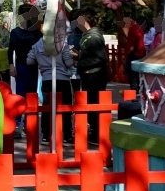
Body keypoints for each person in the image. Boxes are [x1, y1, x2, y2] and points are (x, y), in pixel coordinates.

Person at [27, 33, 75, 146]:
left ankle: (46, 135)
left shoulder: (37, 45)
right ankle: (67, 135)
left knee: (47, 107)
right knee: (66, 107)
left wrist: (42, 61)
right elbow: (68, 63)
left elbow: (29, 61)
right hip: (63, 79)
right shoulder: (62, 44)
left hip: (47, 79)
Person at [8, 4, 43, 137]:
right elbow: (10, 50)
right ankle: (17, 124)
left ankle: (30, 124)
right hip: (21, 67)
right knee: (20, 95)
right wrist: (11, 65)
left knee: (32, 96)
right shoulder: (15, 32)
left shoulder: (37, 32)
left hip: (34, 67)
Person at [73, 8, 107, 146]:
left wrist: (79, 62)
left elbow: (100, 58)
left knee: (94, 105)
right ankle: (94, 131)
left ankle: (96, 133)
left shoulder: (93, 37)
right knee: (90, 105)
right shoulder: (87, 35)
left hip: (94, 76)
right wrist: (79, 54)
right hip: (88, 75)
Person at [121, 16, 146, 91]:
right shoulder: (137, 27)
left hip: (135, 51)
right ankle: (138, 86)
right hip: (138, 51)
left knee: (129, 69)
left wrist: (133, 46)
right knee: (134, 70)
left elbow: (137, 37)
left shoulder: (134, 27)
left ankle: (135, 87)